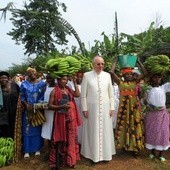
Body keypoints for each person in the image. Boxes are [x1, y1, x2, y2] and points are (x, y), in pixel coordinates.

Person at [80, 55, 116, 163]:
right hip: (92, 109)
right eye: (98, 64)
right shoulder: (86, 76)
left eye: (102, 64)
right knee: (93, 131)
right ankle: (93, 156)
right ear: (93, 64)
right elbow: (83, 95)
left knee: (105, 131)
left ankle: (106, 155)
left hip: (105, 108)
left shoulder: (107, 76)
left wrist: (112, 107)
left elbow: (111, 94)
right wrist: (84, 109)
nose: (101, 66)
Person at [110, 58, 145, 158]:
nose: (129, 75)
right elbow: (112, 72)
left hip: (134, 110)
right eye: (127, 74)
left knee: (134, 127)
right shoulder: (120, 83)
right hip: (123, 110)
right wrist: (116, 61)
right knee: (123, 127)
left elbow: (145, 73)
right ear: (124, 76)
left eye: (130, 74)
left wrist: (138, 61)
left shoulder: (135, 83)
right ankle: (125, 146)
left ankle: (135, 148)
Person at [48, 75, 81, 169]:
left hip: (71, 118)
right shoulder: (54, 90)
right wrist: (61, 107)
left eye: (66, 79)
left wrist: (75, 83)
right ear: (58, 80)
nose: (64, 81)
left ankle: (71, 160)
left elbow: (77, 95)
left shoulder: (68, 89)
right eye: (62, 79)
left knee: (71, 138)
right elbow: (50, 105)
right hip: (60, 118)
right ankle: (58, 162)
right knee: (61, 138)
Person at [20, 67, 46, 159]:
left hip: (38, 109)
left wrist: (38, 105)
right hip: (27, 110)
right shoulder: (24, 84)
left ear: (37, 73)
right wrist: (26, 104)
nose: (32, 73)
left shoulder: (42, 84)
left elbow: (43, 96)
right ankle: (27, 150)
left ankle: (37, 149)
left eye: (34, 72)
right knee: (27, 129)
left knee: (37, 128)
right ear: (27, 74)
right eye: (30, 72)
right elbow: (22, 96)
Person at [144, 74, 170, 162]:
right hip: (151, 114)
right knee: (151, 131)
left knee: (163, 132)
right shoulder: (148, 88)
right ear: (151, 78)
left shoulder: (164, 88)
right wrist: (148, 105)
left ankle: (160, 154)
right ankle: (152, 152)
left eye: (159, 77)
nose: (157, 79)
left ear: (161, 78)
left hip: (162, 114)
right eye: (155, 77)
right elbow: (144, 100)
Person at [0, 71, 20, 138]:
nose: (3, 79)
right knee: (4, 129)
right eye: (1, 78)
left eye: (5, 77)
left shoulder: (14, 85)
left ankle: (15, 143)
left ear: (8, 78)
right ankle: (6, 143)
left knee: (15, 127)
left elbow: (20, 95)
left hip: (15, 112)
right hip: (3, 113)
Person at [41, 73, 56, 160]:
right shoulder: (46, 87)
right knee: (48, 132)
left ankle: (55, 151)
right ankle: (49, 151)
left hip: (55, 112)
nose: (48, 80)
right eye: (47, 79)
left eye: (50, 79)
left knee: (54, 131)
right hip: (47, 113)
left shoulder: (57, 88)